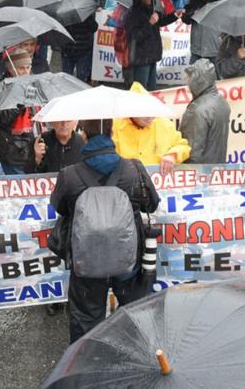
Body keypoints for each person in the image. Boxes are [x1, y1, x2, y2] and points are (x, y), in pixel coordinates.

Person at [50, 133, 158, 342]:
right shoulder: (134, 169)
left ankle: (87, 363)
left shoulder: (69, 174)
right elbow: (151, 205)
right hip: (130, 260)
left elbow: (60, 208)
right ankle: (139, 359)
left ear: (85, 140)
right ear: (112, 141)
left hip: (86, 262)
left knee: (85, 320)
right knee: (137, 315)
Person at [112, 83, 190, 173]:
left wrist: (172, 155)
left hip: (157, 181)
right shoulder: (114, 126)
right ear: (130, 110)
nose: (150, 117)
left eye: (152, 110)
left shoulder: (164, 124)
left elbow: (183, 146)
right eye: (144, 112)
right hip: (125, 181)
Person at [0, 49, 38, 175]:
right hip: (13, 151)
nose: (26, 72)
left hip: (32, 148)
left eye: (28, 67)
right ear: (11, 69)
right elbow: (1, 119)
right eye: (21, 68)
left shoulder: (34, 83)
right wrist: (19, 104)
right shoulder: (2, 88)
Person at [118, 0, 176, 91]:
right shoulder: (133, 13)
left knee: (151, 90)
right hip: (140, 59)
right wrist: (150, 23)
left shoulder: (151, 9)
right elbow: (135, 36)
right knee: (140, 91)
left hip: (151, 57)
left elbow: (160, 21)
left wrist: (175, 15)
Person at [179, 59, 230, 164]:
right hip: (216, 167)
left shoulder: (197, 110)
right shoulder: (221, 101)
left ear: (198, 79)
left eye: (189, 76)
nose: (186, 79)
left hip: (199, 172)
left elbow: (191, 151)